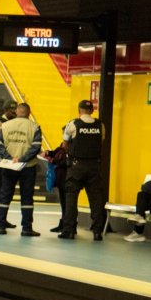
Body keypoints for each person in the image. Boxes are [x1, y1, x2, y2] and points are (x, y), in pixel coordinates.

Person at [0, 103, 43, 236]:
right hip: (28, 167)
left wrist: (9, 159)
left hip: (9, 166)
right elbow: (36, 147)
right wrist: (22, 159)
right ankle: (26, 228)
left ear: (16, 111)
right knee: (27, 198)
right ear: (29, 112)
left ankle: (0, 226)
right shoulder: (35, 127)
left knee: (4, 195)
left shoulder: (5, 126)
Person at [58, 100, 106, 240]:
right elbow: (100, 142)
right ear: (92, 110)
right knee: (96, 199)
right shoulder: (100, 125)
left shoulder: (73, 124)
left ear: (79, 110)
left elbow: (65, 144)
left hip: (76, 166)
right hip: (94, 166)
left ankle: (69, 230)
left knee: (71, 198)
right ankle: (97, 231)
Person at [0, 100, 18, 229]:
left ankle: (2, 218)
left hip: (9, 161)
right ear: (6, 110)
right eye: (12, 110)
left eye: (15, 110)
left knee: (6, 192)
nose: (14, 112)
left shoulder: (13, 123)